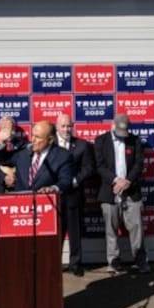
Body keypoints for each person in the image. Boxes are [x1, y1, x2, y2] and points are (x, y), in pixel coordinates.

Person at [94, 114, 150, 274]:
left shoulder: (135, 140)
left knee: (137, 228)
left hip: (131, 192)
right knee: (111, 229)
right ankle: (113, 262)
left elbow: (139, 164)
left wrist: (127, 181)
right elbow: (99, 166)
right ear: (113, 126)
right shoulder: (101, 141)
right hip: (109, 192)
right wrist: (115, 180)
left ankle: (141, 261)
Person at [55, 113, 95, 277]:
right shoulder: (50, 145)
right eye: (63, 126)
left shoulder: (82, 145)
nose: (66, 129)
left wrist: (75, 181)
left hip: (74, 194)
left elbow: (88, 168)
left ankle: (75, 264)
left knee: (75, 231)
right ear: (56, 127)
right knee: (55, 232)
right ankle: (54, 264)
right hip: (54, 197)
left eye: (69, 126)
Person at [7, 120, 73, 194]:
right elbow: (0, 160)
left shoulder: (62, 156)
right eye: (33, 135)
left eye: (37, 137)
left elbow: (66, 181)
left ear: (50, 140)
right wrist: (1, 143)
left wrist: (53, 188)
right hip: (20, 202)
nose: (33, 140)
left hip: (46, 202)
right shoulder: (23, 152)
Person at [0, 116, 28, 195]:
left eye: (10, 128)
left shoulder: (23, 146)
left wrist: (13, 177)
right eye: (4, 128)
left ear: (14, 129)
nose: (7, 131)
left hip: (18, 189)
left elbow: (24, 165)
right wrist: (4, 178)